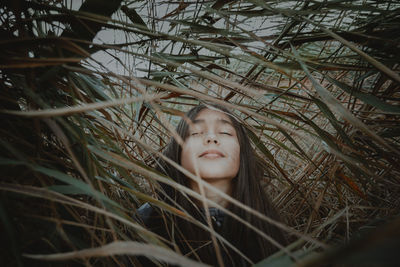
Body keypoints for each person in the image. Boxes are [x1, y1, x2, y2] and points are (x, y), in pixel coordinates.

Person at [137, 103, 287, 266]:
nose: (211, 138)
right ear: (177, 153)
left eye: (224, 132)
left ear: (242, 153)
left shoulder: (269, 230)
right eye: (195, 132)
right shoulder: (149, 221)